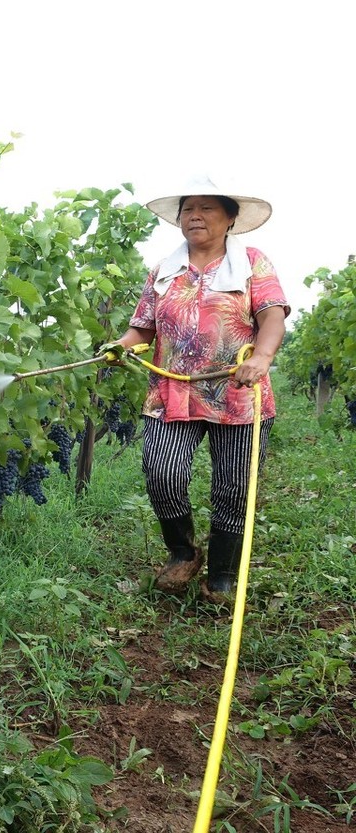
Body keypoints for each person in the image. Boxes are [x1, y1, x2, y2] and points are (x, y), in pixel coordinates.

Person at [102, 176, 290, 604]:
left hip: (239, 395)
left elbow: (273, 317)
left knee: (233, 487)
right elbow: (141, 327)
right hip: (174, 393)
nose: (195, 216)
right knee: (162, 473)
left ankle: (222, 575)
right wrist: (120, 346)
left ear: (229, 219)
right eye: (189, 209)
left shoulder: (253, 263)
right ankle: (182, 553)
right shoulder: (164, 271)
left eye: (207, 208)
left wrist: (260, 359)